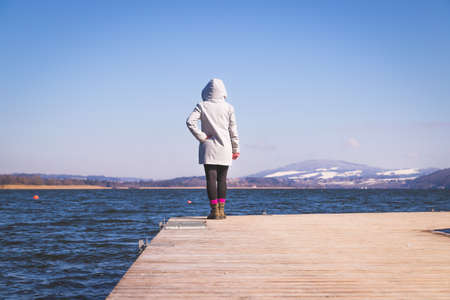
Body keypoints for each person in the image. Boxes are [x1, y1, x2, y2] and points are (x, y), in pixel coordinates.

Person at [186, 78, 240, 220]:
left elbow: (190, 122)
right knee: (222, 180)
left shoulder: (202, 105)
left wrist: (202, 136)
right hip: (225, 147)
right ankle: (222, 211)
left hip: (208, 146)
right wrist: (236, 148)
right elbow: (233, 130)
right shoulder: (229, 107)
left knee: (211, 179)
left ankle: (214, 211)